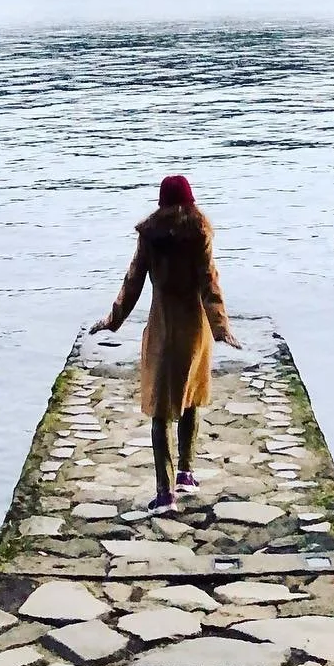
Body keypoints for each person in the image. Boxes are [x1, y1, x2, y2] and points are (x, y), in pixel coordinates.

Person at [90, 174, 241, 513]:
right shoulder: (199, 233)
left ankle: (165, 494)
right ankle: (186, 473)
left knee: (161, 410)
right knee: (191, 397)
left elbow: (133, 281)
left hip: (163, 328)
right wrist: (220, 328)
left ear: (161, 203)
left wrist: (113, 320)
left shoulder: (151, 237)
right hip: (195, 328)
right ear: (190, 201)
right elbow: (209, 284)